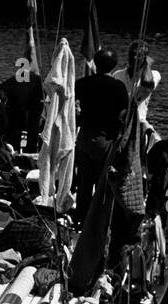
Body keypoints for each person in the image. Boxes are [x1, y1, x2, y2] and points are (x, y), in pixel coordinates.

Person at [74, 46, 128, 221]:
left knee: (84, 181)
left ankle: (80, 218)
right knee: (102, 184)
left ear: (95, 63)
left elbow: (74, 108)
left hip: (84, 137)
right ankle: (97, 221)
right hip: (105, 140)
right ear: (113, 66)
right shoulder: (119, 87)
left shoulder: (82, 83)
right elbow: (122, 117)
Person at [112, 41, 160, 125]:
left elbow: (147, 83)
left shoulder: (154, 75)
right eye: (132, 54)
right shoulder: (117, 75)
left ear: (145, 58)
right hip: (118, 121)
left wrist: (147, 64)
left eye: (139, 55)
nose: (134, 57)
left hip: (138, 123)